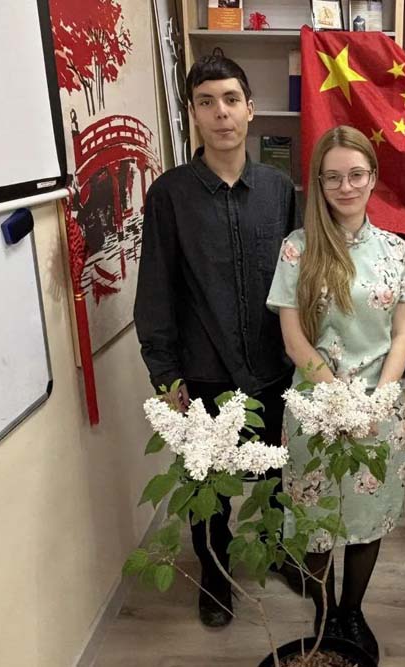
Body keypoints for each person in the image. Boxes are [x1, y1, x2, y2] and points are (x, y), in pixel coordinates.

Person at [133, 54, 299, 628]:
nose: (221, 113)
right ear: (193, 114)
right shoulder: (170, 195)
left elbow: (298, 279)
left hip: (274, 367)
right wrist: (165, 373)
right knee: (208, 485)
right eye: (207, 102)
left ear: (250, 108)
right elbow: (155, 288)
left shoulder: (279, 189)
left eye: (231, 100)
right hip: (203, 371)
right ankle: (215, 572)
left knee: (276, 472)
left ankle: (277, 550)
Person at [267, 126, 405, 661]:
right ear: (319, 183)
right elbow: (294, 338)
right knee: (315, 518)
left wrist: (378, 399)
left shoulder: (397, 251)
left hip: (380, 407)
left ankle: (352, 611)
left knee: (368, 516)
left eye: (356, 175)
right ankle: (325, 612)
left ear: (372, 178)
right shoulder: (298, 248)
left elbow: (403, 333)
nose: (345, 187)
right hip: (316, 406)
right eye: (333, 177)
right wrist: (337, 399)